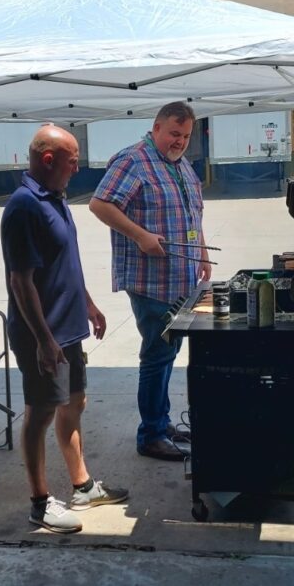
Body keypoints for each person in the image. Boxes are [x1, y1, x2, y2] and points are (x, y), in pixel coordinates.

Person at [1, 124, 128, 534]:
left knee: (76, 403)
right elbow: (20, 281)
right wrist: (43, 340)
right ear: (49, 159)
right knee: (40, 413)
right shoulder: (24, 207)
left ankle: (82, 486)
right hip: (44, 335)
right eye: (73, 161)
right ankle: (39, 502)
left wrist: (88, 304)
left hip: (68, 329)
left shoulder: (54, 198)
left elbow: (63, 264)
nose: (77, 169)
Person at [89, 102, 211, 462]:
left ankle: (161, 421)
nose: (180, 142)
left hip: (182, 277)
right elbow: (100, 205)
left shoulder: (181, 165)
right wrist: (141, 235)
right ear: (156, 128)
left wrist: (201, 252)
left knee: (169, 351)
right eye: (174, 133)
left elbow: (193, 213)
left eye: (186, 136)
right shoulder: (133, 160)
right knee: (157, 355)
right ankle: (151, 435)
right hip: (150, 280)